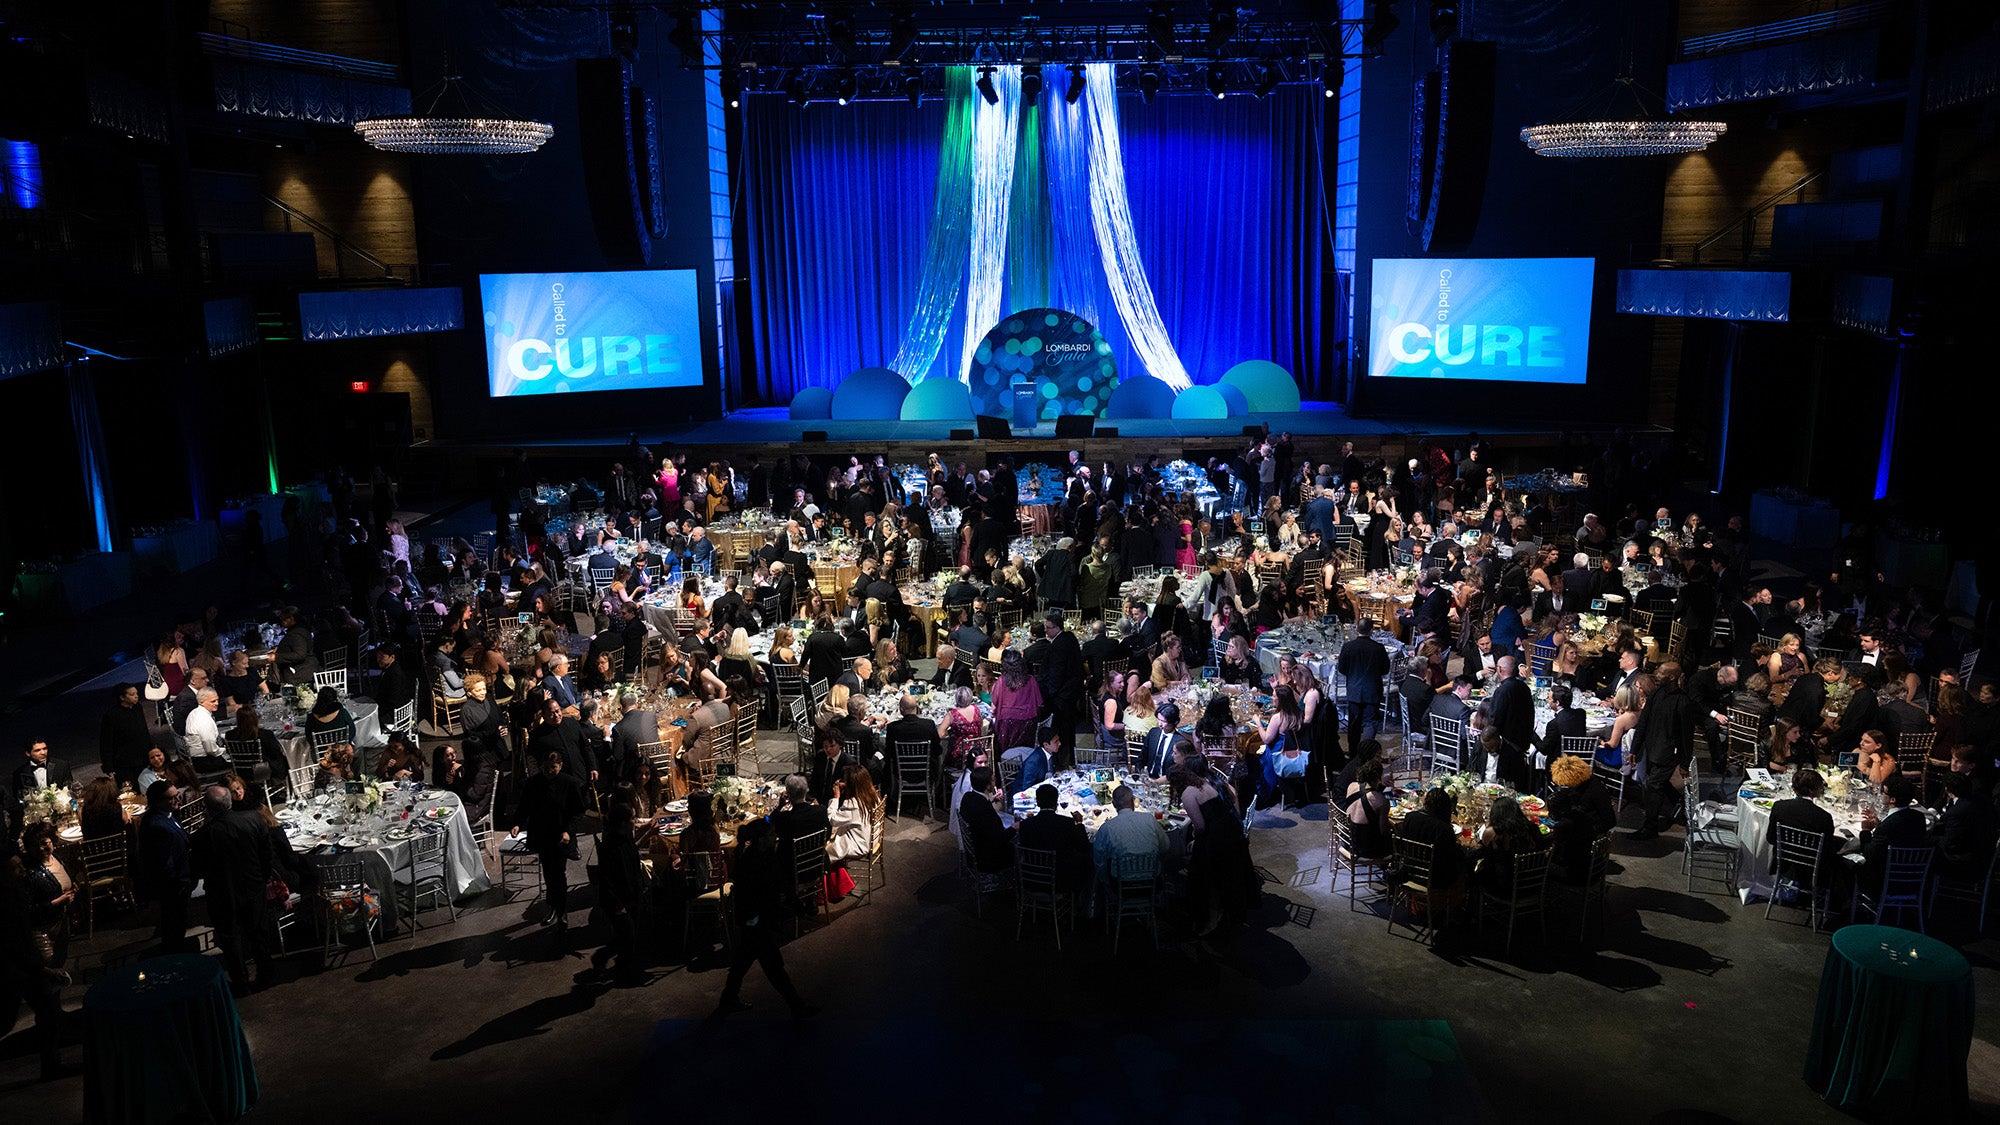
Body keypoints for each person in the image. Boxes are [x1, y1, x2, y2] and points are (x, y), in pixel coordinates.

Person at [715, 817, 818, 1018]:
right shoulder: (752, 861)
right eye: (771, 835)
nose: (775, 837)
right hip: (756, 922)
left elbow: (780, 883)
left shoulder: (764, 856)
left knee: (743, 962)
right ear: (762, 839)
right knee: (773, 968)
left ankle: (728, 998)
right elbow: (751, 893)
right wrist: (754, 919)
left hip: (756, 921)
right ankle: (797, 1007)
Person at [195, 783, 279, 989]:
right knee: (259, 934)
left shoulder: (202, 836)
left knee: (230, 939)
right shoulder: (254, 820)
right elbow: (267, 856)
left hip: (221, 893)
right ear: (230, 802)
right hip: (252, 887)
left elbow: (198, 868)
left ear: (207, 808)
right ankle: (265, 975)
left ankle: (240, 980)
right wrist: (262, 878)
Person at [512, 750, 586, 932]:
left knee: (558, 874)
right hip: (542, 835)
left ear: (560, 766)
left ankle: (560, 910)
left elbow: (578, 811)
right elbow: (525, 806)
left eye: (553, 767)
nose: (549, 771)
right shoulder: (533, 783)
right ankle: (553, 907)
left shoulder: (570, 783)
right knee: (548, 872)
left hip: (561, 836)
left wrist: (568, 831)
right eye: (545, 768)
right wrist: (517, 824)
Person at [1630, 662, 1698, 841]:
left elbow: (1686, 736)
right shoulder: (1656, 694)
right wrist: (1635, 749)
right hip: (1652, 748)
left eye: (1660, 673)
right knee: (1658, 784)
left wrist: (1684, 763)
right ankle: (1680, 805)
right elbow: (1643, 722)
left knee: (1654, 786)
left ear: (1672, 677)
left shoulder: (1683, 702)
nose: (1656, 675)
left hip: (1668, 753)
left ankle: (1650, 827)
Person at [1545, 754, 1616, 883]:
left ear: (1573, 779)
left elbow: (1610, 821)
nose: (1565, 786)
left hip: (1586, 843)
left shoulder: (1596, 791)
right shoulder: (1577, 788)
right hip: (1577, 830)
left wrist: (1584, 832)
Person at [1017, 782, 1093, 893]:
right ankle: (1086, 900)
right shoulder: (1066, 823)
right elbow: (1085, 847)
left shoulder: (1025, 825)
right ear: (1056, 803)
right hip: (1061, 881)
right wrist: (1080, 824)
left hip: (1032, 879)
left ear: (1037, 803)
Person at [1092, 784, 1169, 885]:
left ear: (1114, 804)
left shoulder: (1107, 828)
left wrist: (1105, 882)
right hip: (1152, 881)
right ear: (1133, 801)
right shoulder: (1150, 820)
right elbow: (1166, 847)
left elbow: (1099, 860)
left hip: (1120, 884)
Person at [1336, 619, 1392, 758]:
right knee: (1370, 723)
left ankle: (1353, 753)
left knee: (1354, 724)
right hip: (1372, 690)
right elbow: (1385, 669)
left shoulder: (1348, 647)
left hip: (1354, 690)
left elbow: (1342, 668)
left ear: (1356, 629)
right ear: (1371, 630)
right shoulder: (1378, 648)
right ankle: (1367, 754)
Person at [1471, 796, 1543, 891]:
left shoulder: (1492, 832)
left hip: (1504, 887)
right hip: (1533, 882)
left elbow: (1484, 853)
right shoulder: (1532, 828)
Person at [957, 765, 1014, 873]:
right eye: (993, 780)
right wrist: (1014, 828)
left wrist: (990, 799)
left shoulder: (967, 797)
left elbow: (978, 808)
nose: (995, 781)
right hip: (988, 858)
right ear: (988, 786)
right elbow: (1000, 839)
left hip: (975, 849)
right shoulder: (986, 812)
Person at [990, 649, 1044, 758]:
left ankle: (1006, 771)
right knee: (1025, 753)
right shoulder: (1031, 680)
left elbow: (993, 707)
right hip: (1028, 724)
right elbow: (1039, 704)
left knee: (1006, 754)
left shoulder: (1001, 681)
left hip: (1007, 725)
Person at [100, 683, 155, 789]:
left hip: (142, 757)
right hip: (124, 762)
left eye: (136, 693)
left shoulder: (137, 708)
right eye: (132, 694)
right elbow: (106, 742)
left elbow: (144, 731)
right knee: (130, 790)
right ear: (122, 697)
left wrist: (151, 750)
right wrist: (108, 766)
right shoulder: (111, 716)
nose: (136, 696)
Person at [1340, 760, 1393, 860]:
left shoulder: (1351, 786)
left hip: (1347, 840)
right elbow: (1384, 832)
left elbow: (1365, 792)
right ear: (1379, 777)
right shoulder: (1382, 802)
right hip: (1365, 849)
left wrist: (1381, 784)